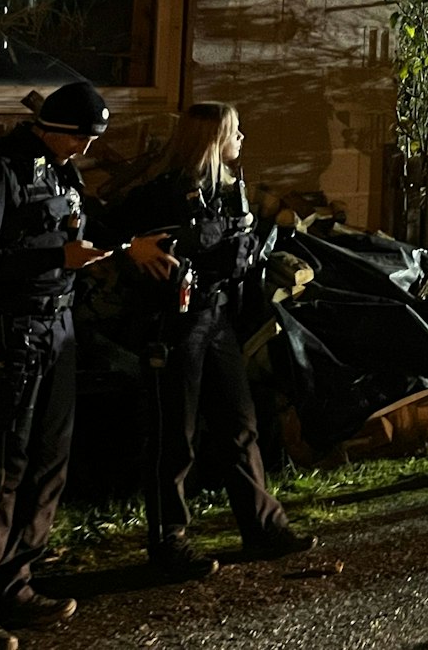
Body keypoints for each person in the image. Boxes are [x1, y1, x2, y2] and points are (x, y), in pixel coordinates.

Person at [114, 103, 313, 578]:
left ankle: (262, 527)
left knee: (239, 424)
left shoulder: (229, 192)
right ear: (212, 138)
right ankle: (169, 542)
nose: (242, 138)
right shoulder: (163, 193)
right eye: (234, 131)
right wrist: (131, 249)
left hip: (218, 317)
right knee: (174, 435)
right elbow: (110, 231)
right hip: (175, 323)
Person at [0, 83, 136, 648]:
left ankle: (16, 584)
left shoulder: (61, 171)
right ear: (52, 127)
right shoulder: (1, 171)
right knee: (2, 471)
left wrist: (114, 248)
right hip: (13, 332)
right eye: (79, 137)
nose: (85, 150)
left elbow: (76, 225)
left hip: (58, 326)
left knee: (50, 462)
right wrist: (56, 257)